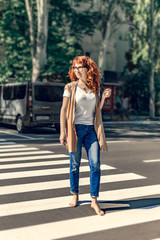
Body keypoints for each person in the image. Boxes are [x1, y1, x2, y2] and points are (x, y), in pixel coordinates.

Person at [59, 56, 111, 216]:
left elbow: (96, 111)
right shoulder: (70, 87)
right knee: (74, 165)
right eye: (74, 67)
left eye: (79, 67)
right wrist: (63, 131)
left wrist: (103, 99)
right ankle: (75, 194)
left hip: (90, 130)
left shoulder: (94, 88)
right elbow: (63, 110)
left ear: (88, 69)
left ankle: (94, 200)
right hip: (75, 129)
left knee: (95, 165)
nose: (76, 70)